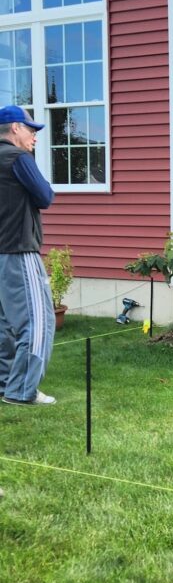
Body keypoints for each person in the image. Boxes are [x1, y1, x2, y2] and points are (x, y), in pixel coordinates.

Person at [0, 105, 56, 404]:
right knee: (37, 323)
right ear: (15, 129)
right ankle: (21, 391)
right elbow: (45, 196)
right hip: (18, 252)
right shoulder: (18, 158)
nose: (34, 135)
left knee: (3, 324)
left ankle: (4, 384)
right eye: (30, 129)